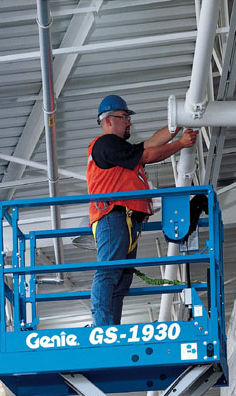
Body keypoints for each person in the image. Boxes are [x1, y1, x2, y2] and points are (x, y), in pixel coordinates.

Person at [87, 94, 198, 327]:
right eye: (124, 117)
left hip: (124, 220)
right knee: (109, 272)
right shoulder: (106, 144)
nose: (129, 122)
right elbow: (147, 154)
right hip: (113, 216)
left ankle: (110, 327)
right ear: (108, 120)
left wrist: (174, 126)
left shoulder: (120, 150)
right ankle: (103, 326)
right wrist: (179, 144)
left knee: (121, 278)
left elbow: (149, 144)